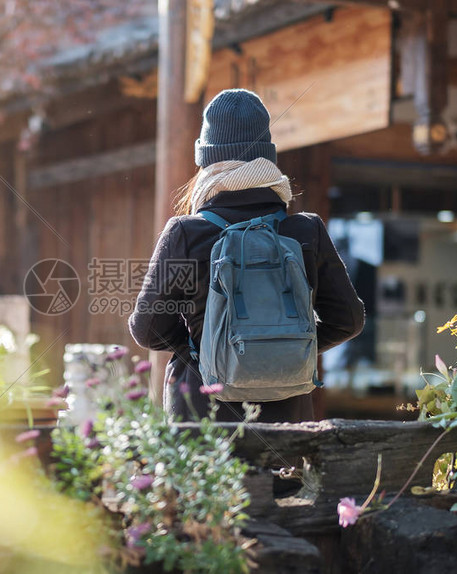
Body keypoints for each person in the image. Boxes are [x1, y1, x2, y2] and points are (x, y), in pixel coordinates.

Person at [128, 89, 365, 423]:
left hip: (203, 422)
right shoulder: (306, 231)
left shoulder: (185, 233)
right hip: (288, 427)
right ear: (267, 158)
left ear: (206, 160)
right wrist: (282, 350)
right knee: (286, 476)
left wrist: (210, 349)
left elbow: (147, 329)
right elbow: (348, 321)